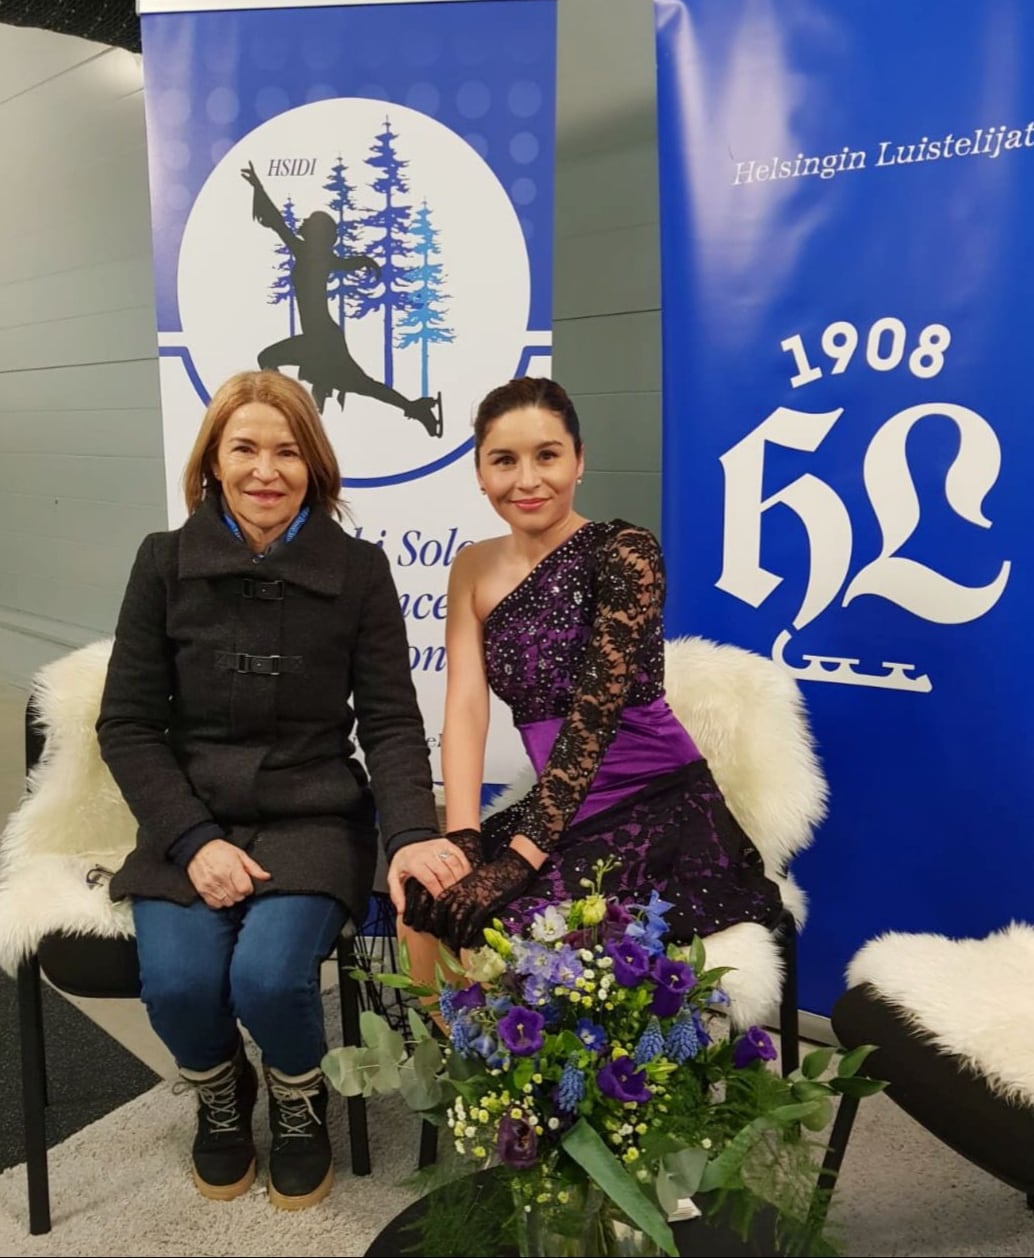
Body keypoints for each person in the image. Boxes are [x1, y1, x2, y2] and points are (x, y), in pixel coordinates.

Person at [95, 370, 458, 1210]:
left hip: (313, 813)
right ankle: (222, 1091)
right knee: (181, 985)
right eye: (245, 449)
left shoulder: (359, 571)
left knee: (267, 977)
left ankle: (299, 1097)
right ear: (213, 464)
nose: (267, 469)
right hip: (191, 816)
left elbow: (394, 724)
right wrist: (192, 841)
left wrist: (409, 834)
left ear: (314, 465)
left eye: (288, 450)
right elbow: (128, 725)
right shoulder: (162, 563)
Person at [387, 376, 783, 969]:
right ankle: (446, 1061)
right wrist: (464, 837)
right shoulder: (472, 566)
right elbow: (466, 707)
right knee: (428, 899)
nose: (526, 479)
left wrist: (519, 862)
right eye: (504, 460)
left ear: (579, 462)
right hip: (560, 808)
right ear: (479, 472)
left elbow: (591, 722)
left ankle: (513, 1060)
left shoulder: (626, 551)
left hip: (652, 805)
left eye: (547, 455)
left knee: (517, 939)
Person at [240, 161, 443, 436]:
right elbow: (283, 226)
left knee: (272, 359)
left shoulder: (311, 254)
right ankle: (416, 409)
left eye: (309, 223)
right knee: (362, 384)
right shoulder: (319, 257)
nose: (303, 224)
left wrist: (259, 188)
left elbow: (277, 223)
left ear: (315, 234)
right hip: (322, 337)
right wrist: (362, 261)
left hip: (320, 339)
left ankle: (288, 415)